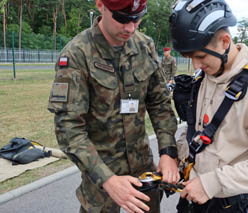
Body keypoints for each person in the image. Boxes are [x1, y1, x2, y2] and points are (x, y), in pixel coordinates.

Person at [47, 0, 180, 212]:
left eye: (137, 18)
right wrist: (107, 179)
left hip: (144, 179)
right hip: (101, 186)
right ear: (101, 6)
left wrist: (168, 151)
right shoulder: (77, 54)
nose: (130, 27)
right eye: (122, 19)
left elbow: (160, 104)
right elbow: (69, 128)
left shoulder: (145, 46)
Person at [169, 0, 248, 212]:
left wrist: (210, 183)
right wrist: (174, 158)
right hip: (193, 198)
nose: (196, 66)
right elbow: (194, 130)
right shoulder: (204, 77)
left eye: (200, 56)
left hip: (227, 203)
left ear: (225, 41)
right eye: (189, 58)